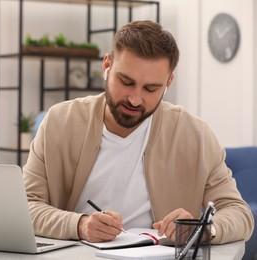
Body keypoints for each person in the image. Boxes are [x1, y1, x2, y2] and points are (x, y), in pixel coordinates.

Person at [22, 20, 254, 244]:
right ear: (107, 66)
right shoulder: (59, 122)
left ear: (168, 82)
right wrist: (79, 225)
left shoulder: (196, 135)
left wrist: (201, 230)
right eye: (126, 81)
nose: (135, 99)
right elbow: (26, 205)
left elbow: (239, 214)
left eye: (151, 88)